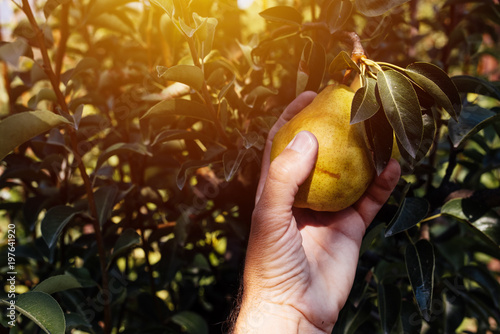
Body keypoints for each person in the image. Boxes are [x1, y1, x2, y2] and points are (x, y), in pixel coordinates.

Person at [230, 91, 401, 333]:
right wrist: (281, 304)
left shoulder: (341, 104)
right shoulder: (343, 103)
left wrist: (280, 307)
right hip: (340, 194)